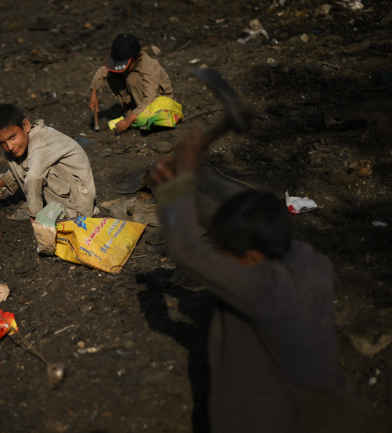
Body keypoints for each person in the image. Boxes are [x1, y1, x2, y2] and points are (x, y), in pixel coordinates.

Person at [150, 130, 388, 432]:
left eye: (224, 254)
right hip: (328, 408)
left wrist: (176, 179)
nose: (222, 261)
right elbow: (228, 226)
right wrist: (180, 185)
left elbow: (184, 248)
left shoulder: (266, 290)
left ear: (250, 257)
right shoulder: (309, 260)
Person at [0, 104, 98, 220]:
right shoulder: (19, 145)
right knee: (18, 160)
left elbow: (34, 176)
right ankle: (49, 211)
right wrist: (1, 182)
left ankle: (65, 216)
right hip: (66, 190)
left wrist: (34, 215)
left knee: (37, 174)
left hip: (79, 202)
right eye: (2, 143)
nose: (10, 146)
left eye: (12, 137)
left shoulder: (41, 142)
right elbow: (19, 167)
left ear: (26, 125)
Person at [89, 33, 176, 134]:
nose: (123, 69)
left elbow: (150, 97)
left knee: (132, 78)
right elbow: (102, 72)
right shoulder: (128, 64)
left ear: (138, 57)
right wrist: (93, 94)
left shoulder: (151, 66)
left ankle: (135, 117)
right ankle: (131, 113)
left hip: (159, 106)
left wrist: (128, 119)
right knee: (113, 74)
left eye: (125, 66)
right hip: (140, 104)